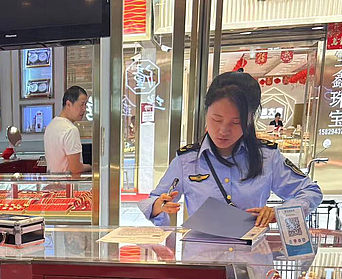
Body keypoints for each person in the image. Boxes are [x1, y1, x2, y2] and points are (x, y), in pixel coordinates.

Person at [138, 71, 323, 228]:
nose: (223, 131)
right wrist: (161, 205)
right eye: (216, 120)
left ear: (250, 120)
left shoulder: (267, 157)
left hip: (252, 258)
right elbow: (153, 201)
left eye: (236, 122)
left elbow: (311, 191)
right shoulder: (187, 160)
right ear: (206, 113)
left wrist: (281, 213)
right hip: (203, 259)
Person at [44, 86, 92, 175]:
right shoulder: (70, 130)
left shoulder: (51, 125)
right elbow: (75, 168)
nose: (84, 109)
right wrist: (91, 167)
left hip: (52, 182)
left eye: (85, 104)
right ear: (68, 104)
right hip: (66, 184)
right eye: (82, 104)